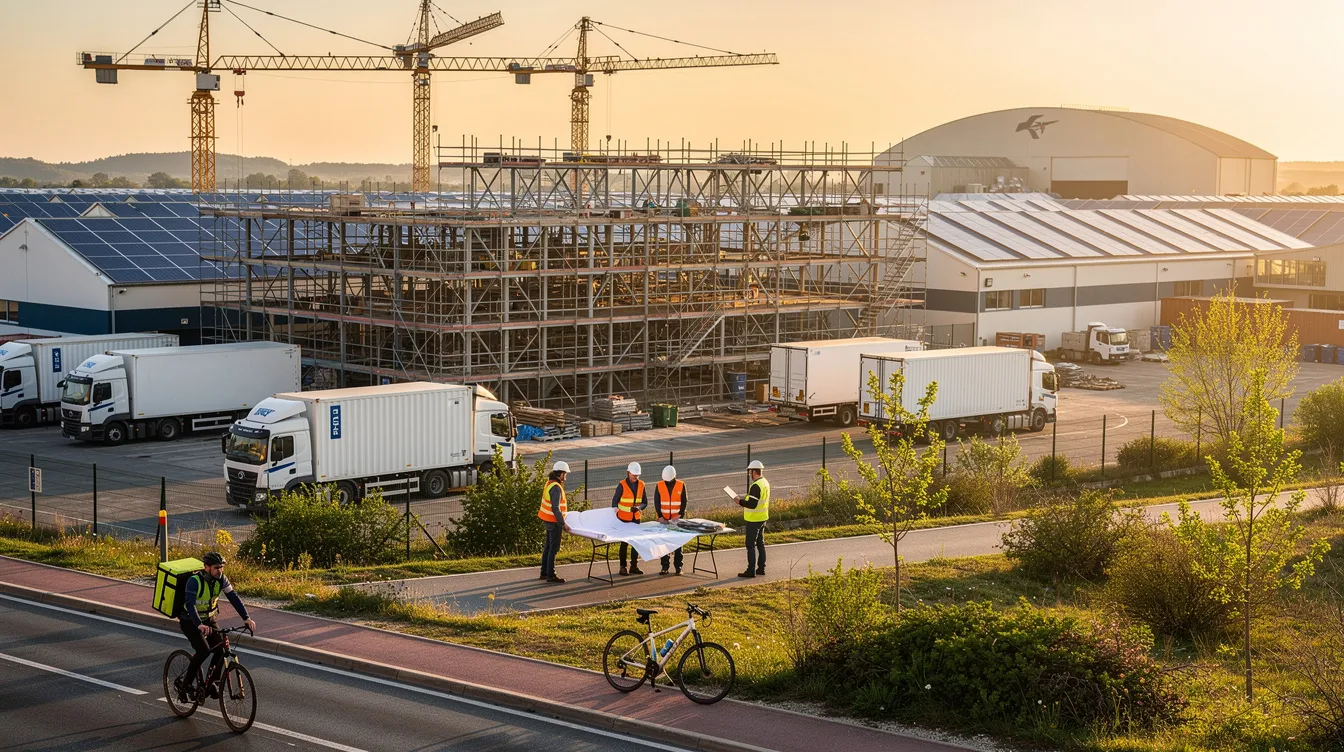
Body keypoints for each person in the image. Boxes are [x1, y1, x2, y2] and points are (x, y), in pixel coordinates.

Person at [177, 552, 256, 701]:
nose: (219, 570)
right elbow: (190, 605)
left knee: (220, 650)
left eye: (221, 567)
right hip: (190, 621)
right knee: (203, 650)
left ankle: (212, 684)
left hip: (209, 619)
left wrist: (246, 618)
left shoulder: (221, 579)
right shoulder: (194, 581)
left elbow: (233, 597)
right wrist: (199, 624)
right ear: (206, 567)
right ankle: (185, 685)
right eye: (216, 567)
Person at [734, 460, 770, 578]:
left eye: (750, 471)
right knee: (760, 543)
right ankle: (761, 568)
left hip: (754, 519)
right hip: (762, 517)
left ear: (754, 472)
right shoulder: (765, 482)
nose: (749, 474)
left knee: (750, 545)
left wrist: (740, 501)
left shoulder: (755, 485)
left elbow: (752, 504)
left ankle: (751, 570)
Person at [611, 461, 647, 576]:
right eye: (633, 475)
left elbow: (645, 502)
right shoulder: (622, 485)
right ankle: (623, 567)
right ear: (628, 473)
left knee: (635, 543)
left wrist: (639, 508)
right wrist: (619, 511)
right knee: (625, 543)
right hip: (624, 518)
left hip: (635, 518)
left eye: (637, 475)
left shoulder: (642, 485)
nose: (635, 477)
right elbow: (614, 502)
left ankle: (634, 566)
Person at [538, 461, 571, 583]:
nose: (565, 477)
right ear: (561, 474)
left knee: (548, 547)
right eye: (565, 474)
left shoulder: (549, 483)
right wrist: (563, 523)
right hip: (554, 521)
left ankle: (544, 572)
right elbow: (555, 508)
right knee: (553, 549)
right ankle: (551, 575)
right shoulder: (556, 488)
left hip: (548, 519)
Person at [653, 465, 688, 575]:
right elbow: (657, 502)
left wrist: (680, 515)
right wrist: (660, 516)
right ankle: (665, 567)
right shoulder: (659, 485)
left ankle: (678, 567)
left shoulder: (681, 485)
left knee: (678, 544)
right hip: (664, 520)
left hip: (676, 520)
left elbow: (684, 501)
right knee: (663, 544)